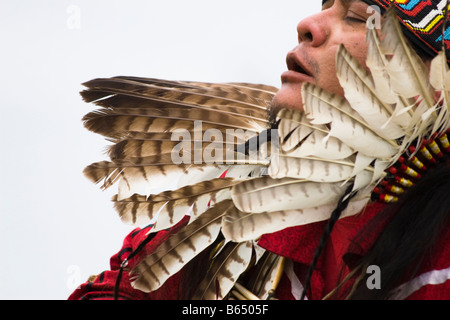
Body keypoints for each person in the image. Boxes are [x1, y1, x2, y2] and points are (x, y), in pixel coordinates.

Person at [69, 0, 450, 300]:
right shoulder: (255, 188)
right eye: (324, 5)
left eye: (355, 16)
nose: (308, 24)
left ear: (433, 83)